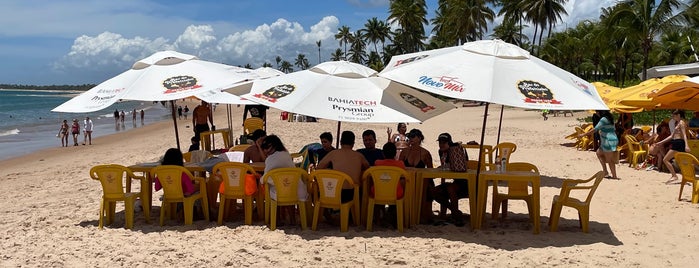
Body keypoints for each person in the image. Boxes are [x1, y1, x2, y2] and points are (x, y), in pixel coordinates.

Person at [317, 131, 370, 223]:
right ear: (353, 143)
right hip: (351, 194)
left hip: (333, 192)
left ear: (341, 142)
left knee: (316, 194)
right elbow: (368, 169)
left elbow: (319, 168)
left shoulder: (333, 153)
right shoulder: (359, 156)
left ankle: (329, 218)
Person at [261, 135, 307, 224]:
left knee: (275, 187)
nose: (265, 151)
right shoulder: (286, 154)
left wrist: (260, 179)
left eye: (266, 148)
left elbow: (265, 178)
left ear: (272, 146)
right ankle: (292, 219)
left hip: (281, 192)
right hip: (296, 189)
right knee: (286, 186)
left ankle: (277, 219)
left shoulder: (271, 158)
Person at [432, 133, 469, 226]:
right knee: (435, 191)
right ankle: (454, 211)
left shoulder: (456, 150)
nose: (441, 144)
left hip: (466, 182)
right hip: (456, 181)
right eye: (440, 142)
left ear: (449, 143)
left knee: (450, 189)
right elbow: (444, 168)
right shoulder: (441, 152)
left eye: (444, 142)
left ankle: (455, 216)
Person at [399, 128, 434, 223]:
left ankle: (422, 215)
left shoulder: (425, 153)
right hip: (408, 179)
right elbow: (399, 168)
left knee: (425, 183)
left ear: (419, 138)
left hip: (421, 180)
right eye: (409, 136)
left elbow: (430, 170)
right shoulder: (404, 152)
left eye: (413, 136)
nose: (411, 139)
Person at [579, 110, 619, 180]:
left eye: (597, 112)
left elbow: (595, 129)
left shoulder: (604, 119)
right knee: (599, 153)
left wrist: (583, 134)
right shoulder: (610, 118)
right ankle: (606, 172)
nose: (596, 113)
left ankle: (613, 175)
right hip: (610, 139)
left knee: (610, 160)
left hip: (607, 140)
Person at [659, 110, 691, 184]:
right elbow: (671, 136)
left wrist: (686, 145)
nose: (673, 117)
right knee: (682, 162)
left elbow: (684, 135)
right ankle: (682, 176)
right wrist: (660, 143)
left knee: (666, 159)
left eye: (674, 116)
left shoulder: (681, 123)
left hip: (679, 143)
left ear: (678, 115)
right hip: (676, 142)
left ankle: (674, 176)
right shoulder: (677, 123)